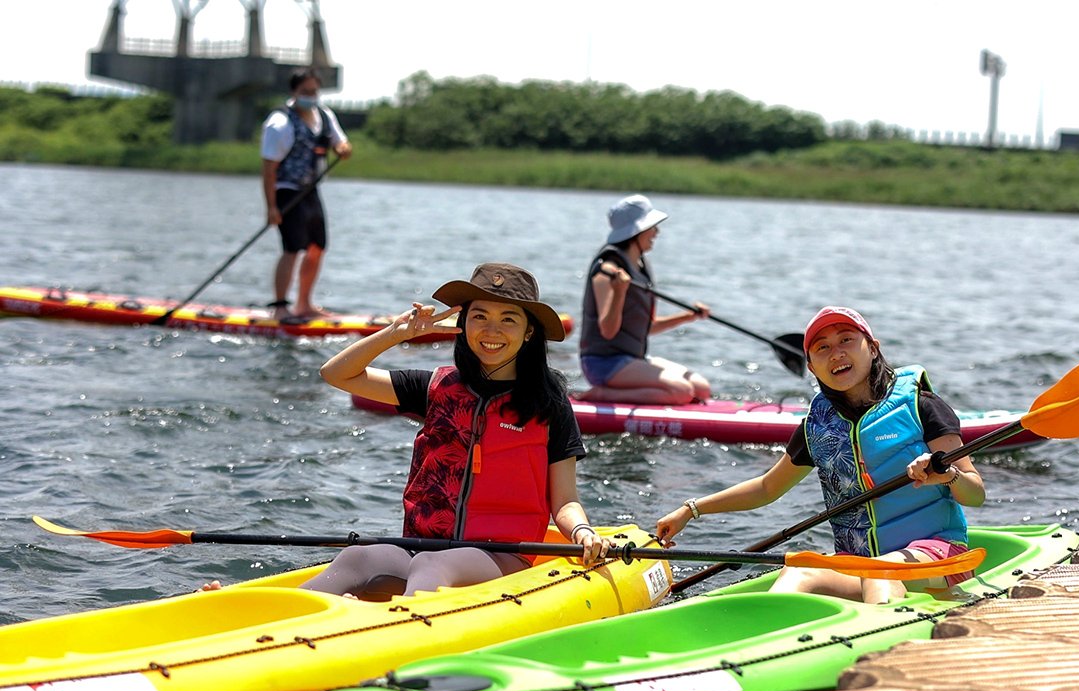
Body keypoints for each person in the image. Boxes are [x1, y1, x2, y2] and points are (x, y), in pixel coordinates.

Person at [275, 263, 610, 600]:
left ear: (528, 333)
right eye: (479, 317)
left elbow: (565, 501)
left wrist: (582, 532)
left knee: (435, 567)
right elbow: (336, 374)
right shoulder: (436, 386)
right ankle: (264, 617)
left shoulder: (549, 404)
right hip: (421, 547)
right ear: (463, 325)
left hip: (501, 558)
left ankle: (395, 628)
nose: (492, 330)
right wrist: (396, 334)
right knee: (357, 556)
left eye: (508, 319)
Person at [655, 306, 986, 604]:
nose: (836, 354)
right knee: (798, 572)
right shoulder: (818, 428)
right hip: (861, 564)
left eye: (846, 340)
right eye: (822, 348)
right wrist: (691, 510)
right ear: (811, 366)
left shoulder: (921, 405)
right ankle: (767, 652)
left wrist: (949, 475)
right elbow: (767, 488)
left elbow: (975, 493)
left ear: (872, 348)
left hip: (940, 556)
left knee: (880, 573)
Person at [577, 194, 713, 405]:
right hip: (603, 364)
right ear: (637, 231)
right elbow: (608, 330)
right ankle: (602, 395)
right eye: (652, 226)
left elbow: (646, 328)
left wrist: (688, 316)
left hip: (632, 360)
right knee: (682, 391)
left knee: (701, 388)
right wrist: (619, 291)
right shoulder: (606, 272)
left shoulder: (641, 267)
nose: (656, 232)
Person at [260, 67, 353, 323]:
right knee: (292, 249)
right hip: (286, 191)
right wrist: (271, 208)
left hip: (311, 190)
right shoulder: (280, 123)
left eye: (314, 91)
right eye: (305, 92)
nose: (311, 96)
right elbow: (269, 169)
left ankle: (304, 305)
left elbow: (339, 141)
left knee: (317, 247)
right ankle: (280, 307)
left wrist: (343, 149)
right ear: (294, 92)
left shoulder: (324, 115)